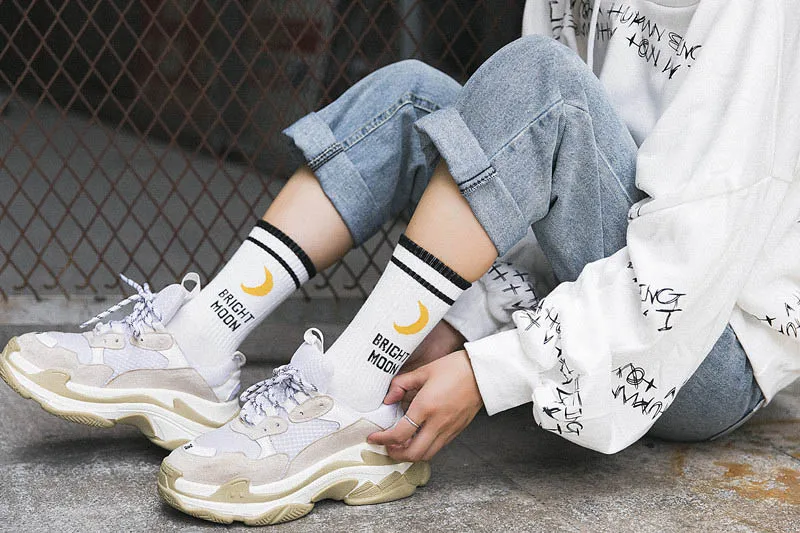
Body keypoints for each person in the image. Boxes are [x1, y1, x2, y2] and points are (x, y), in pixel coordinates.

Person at [1, 0, 798, 526]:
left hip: (709, 348)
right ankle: (198, 347)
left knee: (542, 82)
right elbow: (539, 174)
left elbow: (691, 266)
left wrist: (492, 369)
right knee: (416, 94)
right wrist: (468, 316)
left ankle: (349, 401)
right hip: (597, 267)